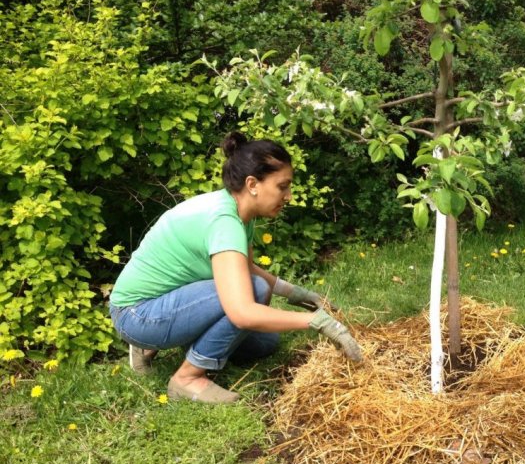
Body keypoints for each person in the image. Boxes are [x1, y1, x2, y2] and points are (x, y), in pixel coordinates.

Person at [109, 132, 361, 404]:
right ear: (252, 184)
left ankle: (173, 348)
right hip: (137, 314)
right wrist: (318, 322)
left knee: (266, 343)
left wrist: (297, 294)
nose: (288, 196)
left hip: (167, 304)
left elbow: (247, 267)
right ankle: (186, 378)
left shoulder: (239, 211)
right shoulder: (224, 221)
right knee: (252, 294)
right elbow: (241, 311)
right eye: (282, 187)